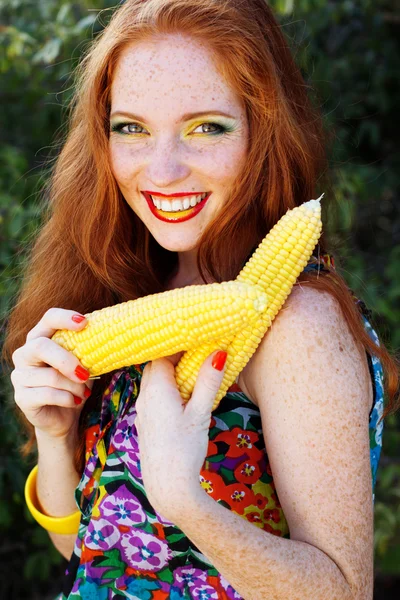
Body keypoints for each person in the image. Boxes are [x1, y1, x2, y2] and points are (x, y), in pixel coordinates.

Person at [2, 0, 399, 598]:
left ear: (263, 133)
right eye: (130, 128)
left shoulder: (297, 322)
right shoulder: (134, 285)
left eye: (206, 127)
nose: (161, 170)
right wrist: (56, 434)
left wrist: (186, 501)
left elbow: (343, 588)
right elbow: (92, 546)